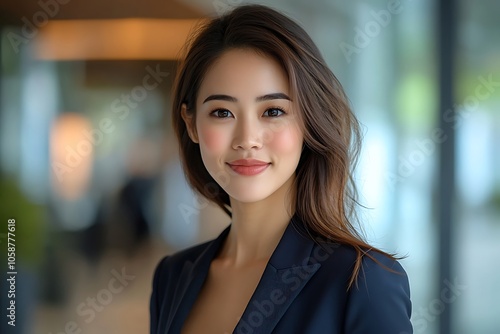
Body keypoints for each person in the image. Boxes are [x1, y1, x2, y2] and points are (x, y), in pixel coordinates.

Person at [150, 4, 412, 334]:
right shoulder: (172, 278)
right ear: (191, 124)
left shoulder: (363, 282)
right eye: (222, 112)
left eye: (273, 111)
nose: (247, 140)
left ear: (308, 120)